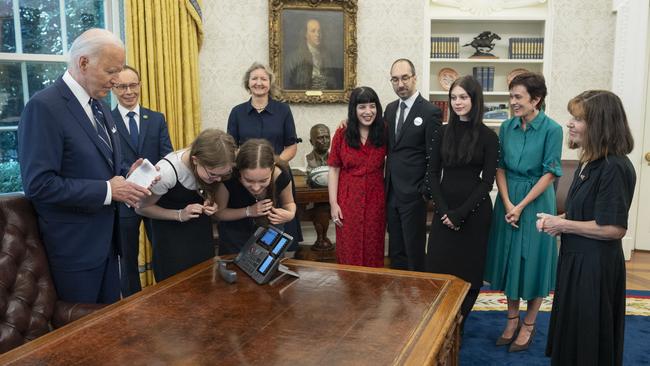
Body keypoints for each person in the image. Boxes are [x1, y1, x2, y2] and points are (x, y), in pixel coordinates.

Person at [17, 28, 151, 304]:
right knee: (79, 338)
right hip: (73, 250)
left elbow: (99, 166)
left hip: (108, 245)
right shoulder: (44, 107)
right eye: (111, 71)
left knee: (107, 330)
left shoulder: (100, 106)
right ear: (83, 63)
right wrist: (106, 190)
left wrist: (127, 175)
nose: (116, 81)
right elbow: (39, 185)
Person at [538, 90, 635, 365]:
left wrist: (563, 224)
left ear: (600, 125)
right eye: (572, 117)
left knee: (589, 340)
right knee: (573, 334)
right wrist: (557, 222)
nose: (570, 123)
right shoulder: (589, 162)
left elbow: (614, 228)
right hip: (576, 260)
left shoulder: (614, 167)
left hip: (596, 267)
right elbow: (587, 211)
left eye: (578, 119)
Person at [483, 72, 563, 352]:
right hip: (507, 201)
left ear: (536, 99)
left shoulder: (553, 129)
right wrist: (506, 203)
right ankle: (511, 318)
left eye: (518, 97)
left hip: (537, 202)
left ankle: (529, 323)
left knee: (533, 262)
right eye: (511, 96)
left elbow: (551, 173)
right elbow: (500, 167)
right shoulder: (506, 127)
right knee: (509, 261)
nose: (512, 102)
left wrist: (520, 206)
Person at [426, 76, 499, 332]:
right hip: (444, 210)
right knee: (437, 268)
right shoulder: (441, 132)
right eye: (453, 97)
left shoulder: (489, 137)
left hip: (474, 213)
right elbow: (432, 174)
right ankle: (441, 322)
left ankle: (459, 325)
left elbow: (487, 182)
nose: (457, 102)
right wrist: (445, 211)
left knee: (470, 273)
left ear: (474, 99)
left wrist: (460, 214)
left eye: (463, 97)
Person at [136, 129, 236, 282]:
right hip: (171, 240)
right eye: (213, 175)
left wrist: (211, 201)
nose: (218, 180)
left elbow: (208, 187)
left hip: (201, 235)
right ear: (195, 160)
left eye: (223, 175)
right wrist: (180, 214)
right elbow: (141, 208)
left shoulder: (212, 169)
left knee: (204, 281)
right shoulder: (166, 172)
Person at [111, 65, 173, 297]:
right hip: (125, 199)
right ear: (114, 88)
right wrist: (131, 176)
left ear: (140, 85)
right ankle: (132, 303)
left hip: (155, 197)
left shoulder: (156, 119)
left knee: (162, 251)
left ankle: (165, 296)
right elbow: (107, 160)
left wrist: (156, 174)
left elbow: (167, 154)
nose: (129, 91)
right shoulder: (108, 119)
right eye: (122, 86)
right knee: (127, 257)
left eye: (133, 85)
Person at [227, 62, 302, 248]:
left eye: (263, 78)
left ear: (270, 83)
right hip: (246, 179)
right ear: (248, 83)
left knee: (279, 230)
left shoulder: (283, 110)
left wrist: (273, 168)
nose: (259, 82)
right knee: (247, 235)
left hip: (276, 176)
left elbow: (291, 146)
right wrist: (250, 168)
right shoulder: (237, 112)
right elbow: (231, 147)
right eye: (254, 78)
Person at [385, 58, 442, 271]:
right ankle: (399, 299)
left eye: (405, 78)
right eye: (395, 79)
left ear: (414, 78)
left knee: (414, 250)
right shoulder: (390, 110)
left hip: (414, 194)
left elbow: (434, 156)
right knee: (396, 250)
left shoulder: (430, 112)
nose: (400, 84)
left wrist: (425, 191)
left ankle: (418, 299)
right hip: (391, 192)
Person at [328, 87, 387, 267]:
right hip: (347, 201)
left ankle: (372, 293)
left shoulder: (385, 130)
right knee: (348, 252)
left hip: (375, 201)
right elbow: (334, 169)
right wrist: (333, 204)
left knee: (373, 250)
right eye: (362, 107)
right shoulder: (342, 133)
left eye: (372, 106)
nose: (368, 112)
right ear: (354, 109)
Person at [215, 139, 296, 254]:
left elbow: (289, 203)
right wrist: (248, 211)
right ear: (239, 170)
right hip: (234, 240)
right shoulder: (228, 178)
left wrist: (290, 214)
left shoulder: (281, 175)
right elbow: (219, 213)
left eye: (263, 180)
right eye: (248, 180)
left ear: (272, 168)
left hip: (269, 238)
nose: (256, 188)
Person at [284, 18, 342, 90]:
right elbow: (288, 86)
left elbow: (336, 83)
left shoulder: (329, 56)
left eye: (319, 31)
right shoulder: (293, 58)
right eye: (313, 31)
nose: (317, 34)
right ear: (305, 34)